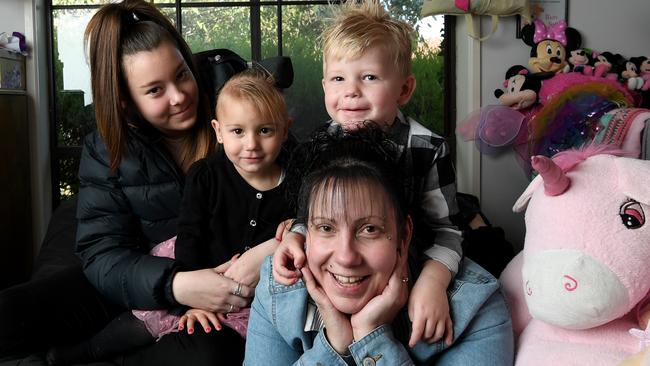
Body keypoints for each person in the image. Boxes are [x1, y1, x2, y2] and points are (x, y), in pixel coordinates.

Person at [0, 1, 242, 365]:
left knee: (209, 354)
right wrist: (177, 285)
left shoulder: (242, 113)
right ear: (126, 102)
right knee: (9, 315)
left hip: (223, 283)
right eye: (155, 91)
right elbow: (103, 254)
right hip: (139, 278)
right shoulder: (106, 147)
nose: (179, 97)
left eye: (181, 75)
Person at [45, 65, 295, 365]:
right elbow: (190, 234)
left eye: (265, 130)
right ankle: (81, 353)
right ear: (218, 131)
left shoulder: (295, 180)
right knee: (144, 325)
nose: (251, 144)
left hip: (249, 298)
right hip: (194, 269)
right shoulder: (206, 175)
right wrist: (190, 299)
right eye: (238, 131)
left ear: (284, 130)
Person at [272, 0, 462, 347]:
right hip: (340, 274)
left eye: (369, 77)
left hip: (405, 268)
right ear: (325, 87)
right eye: (339, 78)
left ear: (404, 89)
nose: (351, 91)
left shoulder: (427, 147)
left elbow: (447, 232)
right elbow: (307, 218)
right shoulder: (320, 145)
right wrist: (295, 238)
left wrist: (432, 283)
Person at [245, 130, 514, 365]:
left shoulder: (474, 306)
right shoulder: (278, 290)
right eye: (326, 228)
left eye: (369, 229)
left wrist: (370, 337)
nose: (346, 257)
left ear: (403, 234)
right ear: (305, 235)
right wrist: (335, 345)